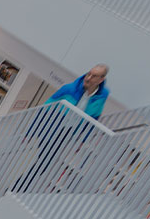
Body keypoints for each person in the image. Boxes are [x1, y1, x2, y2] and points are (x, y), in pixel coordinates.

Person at [10, 64, 110, 192]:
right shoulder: (68, 89)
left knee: (45, 162)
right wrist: (30, 132)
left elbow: (93, 119)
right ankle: (17, 189)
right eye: (89, 73)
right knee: (44, 161)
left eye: (94, 76)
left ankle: (18, 188)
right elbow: (44, 110)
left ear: (101, 80)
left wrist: (84, 139)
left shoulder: (102, 96)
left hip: (69, 132)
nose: (89, 78)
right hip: (53, 127)